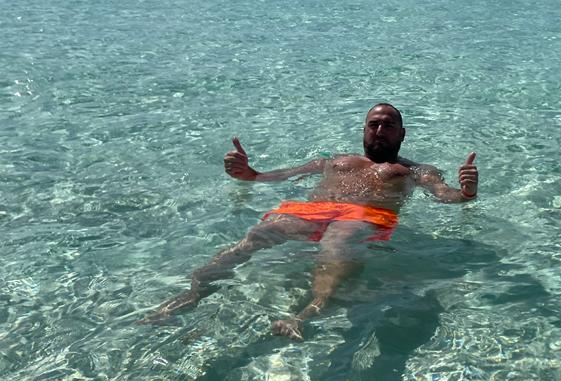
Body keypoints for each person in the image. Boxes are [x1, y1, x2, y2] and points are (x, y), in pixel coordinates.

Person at [146, 104, 478, 339]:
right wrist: (249, 174)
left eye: (388, 124)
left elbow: (442, 193)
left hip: (367, 213)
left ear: (402, 133)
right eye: (374, 123)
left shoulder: (416, 170)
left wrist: (465, 193)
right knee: (261, 231)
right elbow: (280, 175)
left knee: (338, 240)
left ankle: (306, 313)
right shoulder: (332, 161)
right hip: (315, 209)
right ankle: (195, 292)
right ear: (363, 130)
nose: (380, 129)